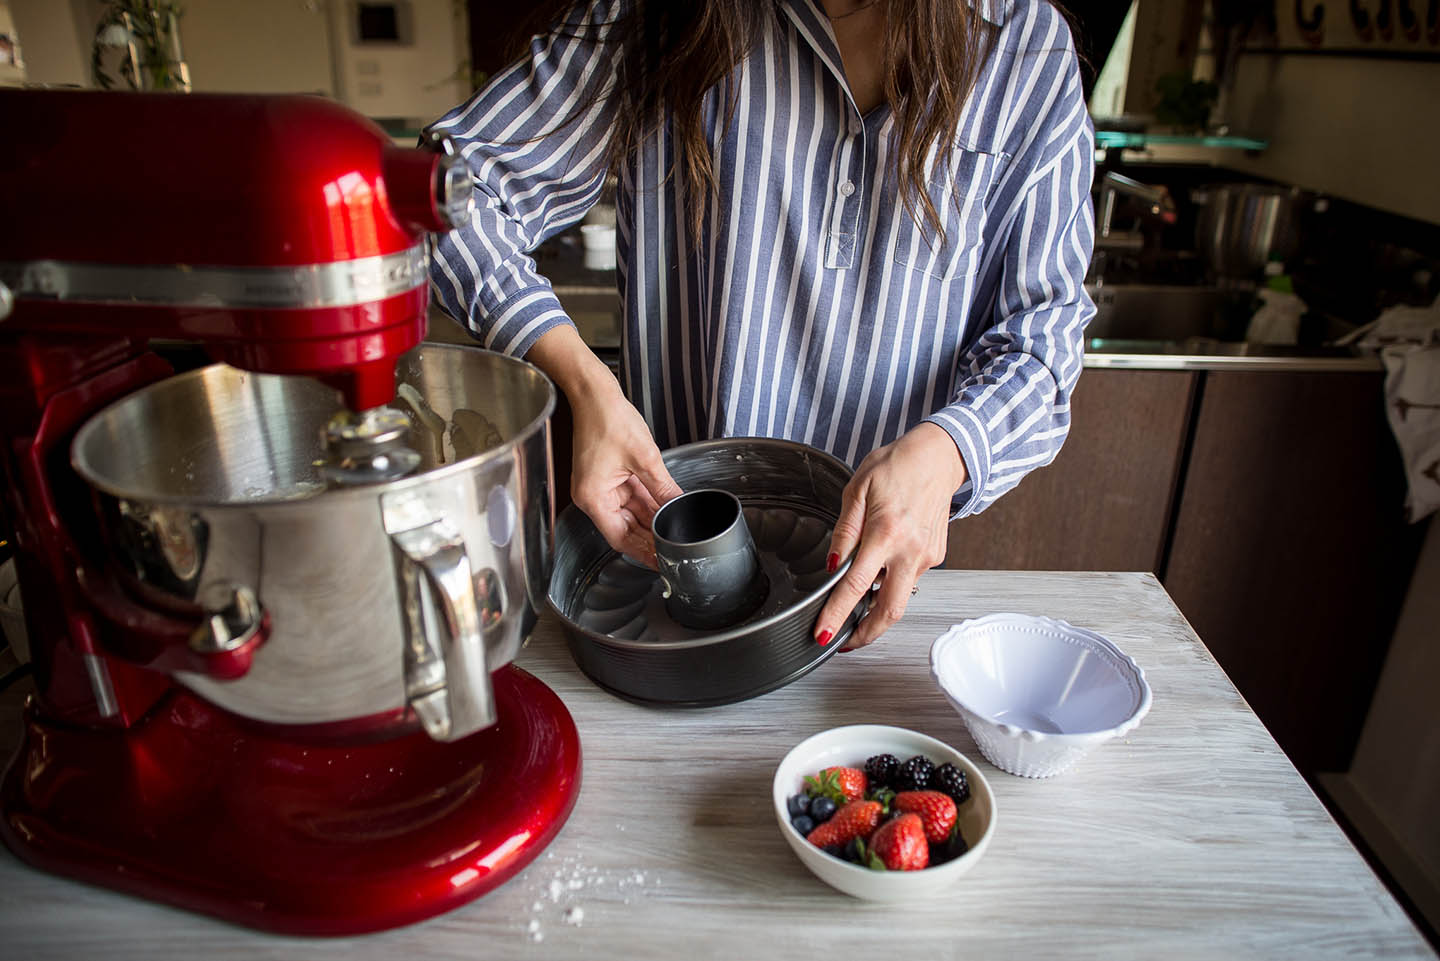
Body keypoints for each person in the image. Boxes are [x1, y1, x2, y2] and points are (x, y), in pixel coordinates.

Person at [428, 0, 1095, 650]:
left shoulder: (1025, 48)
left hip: (878, 609)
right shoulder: (656, 16)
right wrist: (584, 382)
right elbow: (446, 192)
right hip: (669, 594)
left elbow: (1044, 333)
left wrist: (951, 452)